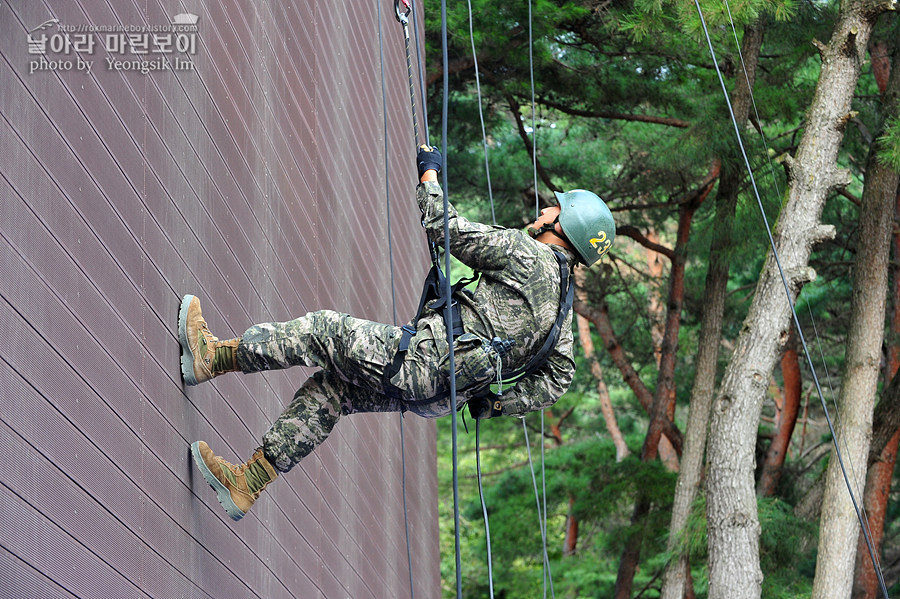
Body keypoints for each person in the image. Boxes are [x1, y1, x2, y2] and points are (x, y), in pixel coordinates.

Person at [182, 146, 615, 521]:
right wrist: (496, 403)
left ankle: (212, 357)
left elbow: (445, 228)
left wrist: (429, 173)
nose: (543, 211)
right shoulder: (563, 309)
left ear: (565, 225)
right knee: (334, 390)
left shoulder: (528, 254)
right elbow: (558, 378)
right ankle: (248, 482)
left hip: (420, 362)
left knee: (322, 330)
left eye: (553, 208)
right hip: (441, 397)